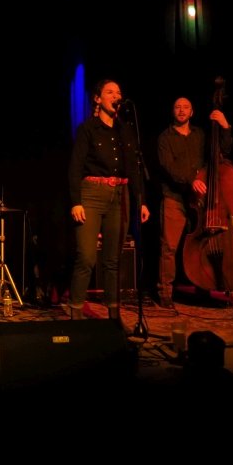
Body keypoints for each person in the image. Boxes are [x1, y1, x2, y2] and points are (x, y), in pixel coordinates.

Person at [68, 79, 149, 322]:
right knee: (86, 257)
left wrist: (141, 201)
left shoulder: (125, 130)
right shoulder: (88, 129)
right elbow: (75, 167)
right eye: (110, 92)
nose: (116, 96)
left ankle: (114, 318)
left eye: (118, 92)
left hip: (120, 196)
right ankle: (76, 315)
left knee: (113, 260)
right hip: (92, 194)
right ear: (97, 98)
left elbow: (134, 168)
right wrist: (76, 201)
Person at [156, 97, 231, 308]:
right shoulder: (165, 137)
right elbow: (168, 167)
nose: (181, 110)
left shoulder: (201, 135)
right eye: (177, 107)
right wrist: (192, 180)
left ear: (192, 112)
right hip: (175, 197)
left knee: (202, 245)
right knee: (169, 247)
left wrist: (225, 126)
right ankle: (165, 293)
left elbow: (223, 151)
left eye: (186, 107)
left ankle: (204, 288)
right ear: (173, 111)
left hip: (199, 200)